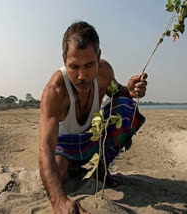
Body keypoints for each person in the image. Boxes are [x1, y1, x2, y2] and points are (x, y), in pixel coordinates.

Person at [39, 21, 147, 214]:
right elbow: (45, 148)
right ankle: (71, 166)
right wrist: (59, 203)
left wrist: (130, 90)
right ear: (64, 60)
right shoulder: (55, 91)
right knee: (59, 174)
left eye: (89, 65)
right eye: (74, 67)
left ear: (98, 57)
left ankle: (101, 168)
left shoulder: (104, 72)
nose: (82, 76)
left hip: (92, 139)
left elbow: (118, 92)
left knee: (126, 108)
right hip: (65, 146)